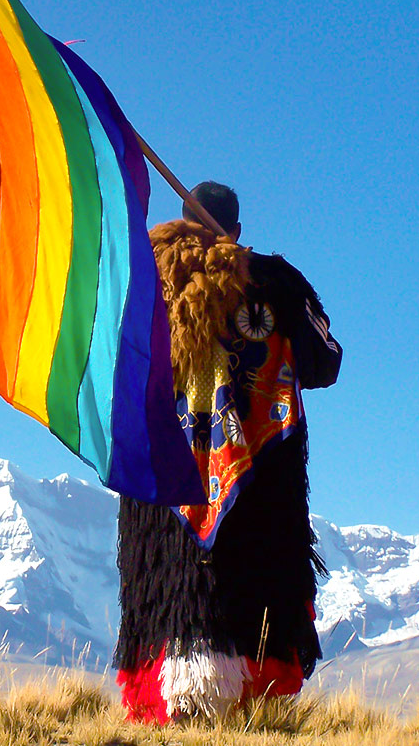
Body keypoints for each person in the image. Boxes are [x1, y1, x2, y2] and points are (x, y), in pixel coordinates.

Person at [114, 181, 342, 722]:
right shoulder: (277, 283)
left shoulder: (140, 279)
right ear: (236, 231)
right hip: (258, 478)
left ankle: (173, 701)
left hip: (162, 477)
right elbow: (324, 362)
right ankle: (251, 705)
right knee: (254, 582)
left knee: (169, 581)